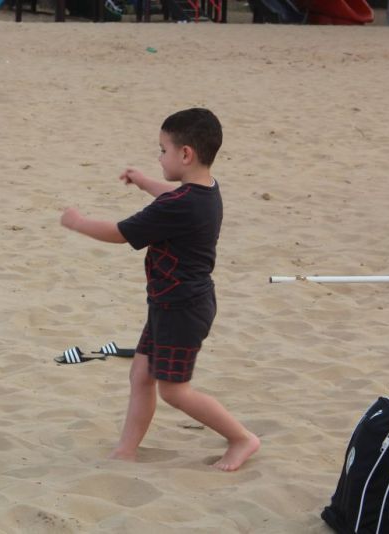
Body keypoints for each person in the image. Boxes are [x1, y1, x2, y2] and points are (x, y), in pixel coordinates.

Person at [59, 108, 260, 471]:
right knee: (140, 375)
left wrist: (78, 222)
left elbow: (120, 233)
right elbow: (173, 190)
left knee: (173, 391)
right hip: (173, 303)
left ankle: (241, 438)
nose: (159, 156)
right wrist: (145, 180)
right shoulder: (205, 190)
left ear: (186, 154)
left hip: (182, 308)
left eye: (163, 150)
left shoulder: (176, 206)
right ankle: (126, 450)